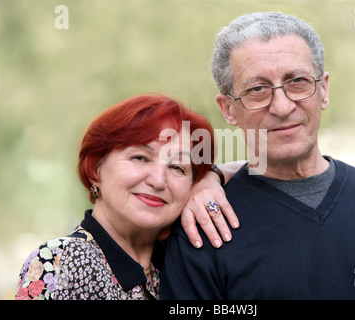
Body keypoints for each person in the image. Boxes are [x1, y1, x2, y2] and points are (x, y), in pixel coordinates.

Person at [161, 12, 355, 299]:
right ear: (228, 109)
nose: (281, 107)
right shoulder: (204, 231)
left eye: (297, 81)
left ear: (324, 89)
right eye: (257, 89)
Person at [15, 93, 218, 300]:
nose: (158, 180)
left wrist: (215, 178)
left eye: (177, 167)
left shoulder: (188, 262)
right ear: (95, 168)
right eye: (140, 157)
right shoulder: (61, 261)